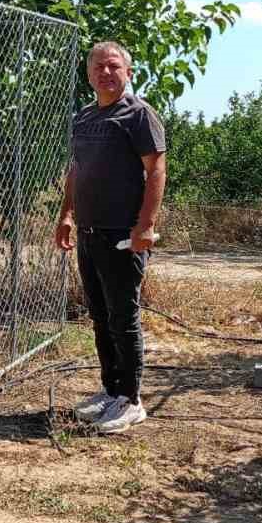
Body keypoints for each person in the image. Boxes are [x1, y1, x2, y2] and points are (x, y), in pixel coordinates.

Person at [54, 41, 166, 434]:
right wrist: (66, 214)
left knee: (123, 317)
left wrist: (145, 225)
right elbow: (77, 169)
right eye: (99, 67)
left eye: (114, 66)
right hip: (88, 231)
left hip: (123, 235)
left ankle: (131, 400)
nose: (106, 72)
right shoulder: (84, 118)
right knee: (100, 316)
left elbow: (155, 171)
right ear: (88, 75)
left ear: (128, 72)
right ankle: (110, 390)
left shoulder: (139, 115)